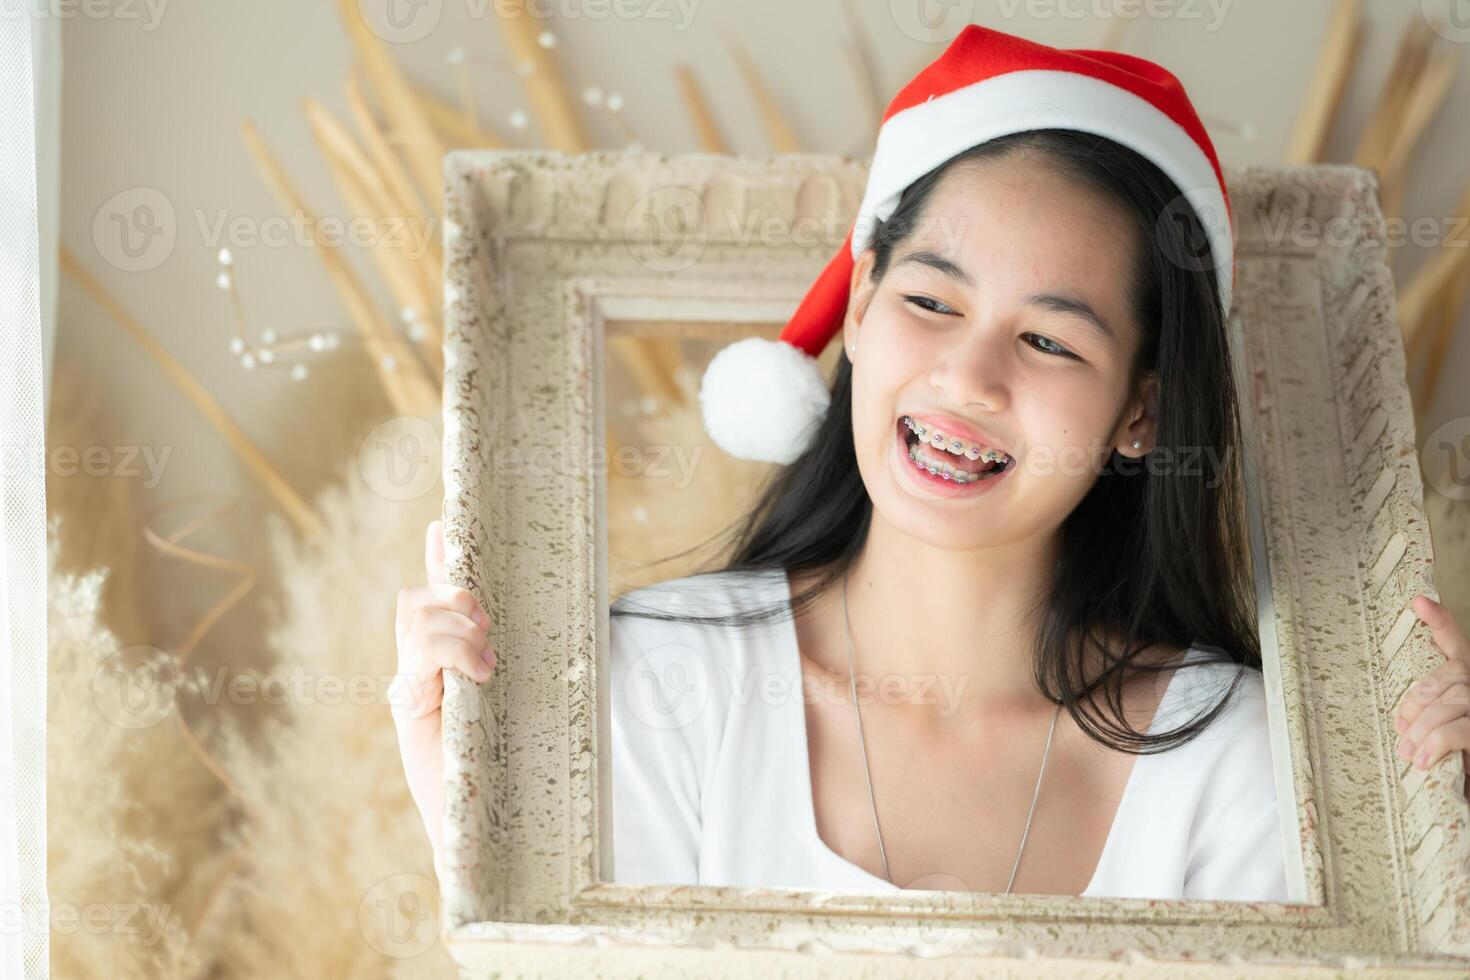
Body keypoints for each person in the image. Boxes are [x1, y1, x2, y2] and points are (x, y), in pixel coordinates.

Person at [392, 25, 1470, 899]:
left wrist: (1441, 846)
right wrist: (481, 838)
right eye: (930, 300)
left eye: (1049, 339)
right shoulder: (663, 681)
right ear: (859, 307)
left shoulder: (1244, 762)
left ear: (1142, 409)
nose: (970, 376)